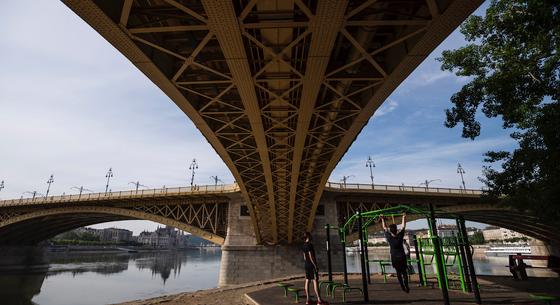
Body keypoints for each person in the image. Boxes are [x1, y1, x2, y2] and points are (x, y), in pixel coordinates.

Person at [381, 213, 410, 293]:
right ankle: (406, 285)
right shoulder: (400, 237)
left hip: (394, 258)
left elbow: (384, 227)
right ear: (396, 230)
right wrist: (404, 217)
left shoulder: (389, 238)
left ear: (390, 231)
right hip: (402, 257)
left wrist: (382, 219)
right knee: (404, 272)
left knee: (398, 273)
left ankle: (402, 286)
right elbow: (403, 226)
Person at [302, 232, 327, 305]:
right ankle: (319, 300)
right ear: (308, 236)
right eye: (310, 235)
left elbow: (304, 257)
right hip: (311, 265)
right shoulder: (310, 245)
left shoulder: (303, 246)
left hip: (306, 265)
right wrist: (315, 265)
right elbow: (311, 256)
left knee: (307, 281)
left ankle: (308, 300)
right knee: (315, 281)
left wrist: (307, 263)